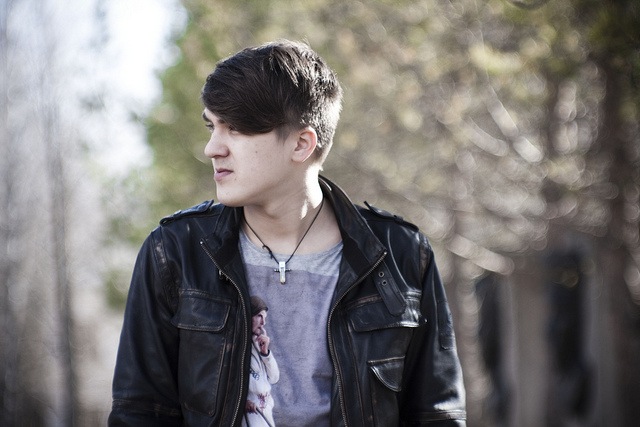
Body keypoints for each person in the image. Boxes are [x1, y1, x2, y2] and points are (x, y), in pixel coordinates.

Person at [108, 39, 466, 426]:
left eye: (235, 129)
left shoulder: (401, 255)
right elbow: (141, 414)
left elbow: (437, 416)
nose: (212, 148)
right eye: (213, 126)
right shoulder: (175, 252)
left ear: (301, 144)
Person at [244, 296, 279, 427]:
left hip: (265, 410)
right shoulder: (238, 347)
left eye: (265, 317)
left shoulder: (258, 344)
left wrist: (265, 354)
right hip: (249, 413)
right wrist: (242, 402)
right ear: (248, 316)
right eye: (259, 316)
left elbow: (274, 378)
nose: (263, 322)